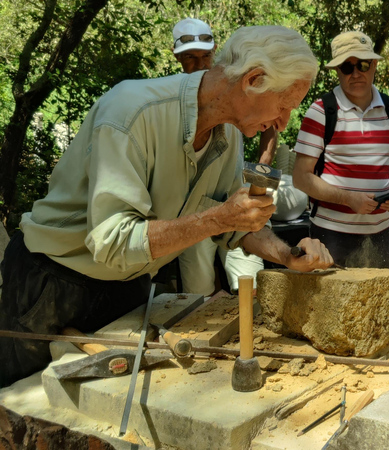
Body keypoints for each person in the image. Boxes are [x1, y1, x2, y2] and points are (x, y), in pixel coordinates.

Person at [0, 26, 334, 388]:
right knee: (23, 409)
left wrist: (287, 254)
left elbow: (235, 222)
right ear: (253, 80)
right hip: (52, 281)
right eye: (284, 106)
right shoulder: (133, 112)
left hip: (128, 285)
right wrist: (215, 219)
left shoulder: (230, 134)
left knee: (110, 410)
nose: (283, 122)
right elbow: (112, 241)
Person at [171, 17, 278, 295]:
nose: (199, 65)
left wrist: (260, 177)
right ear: (178, 58)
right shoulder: (170, 105)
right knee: (198, 294)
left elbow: (269, 131)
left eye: (205, 56)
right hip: (192, 215)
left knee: (251, 288)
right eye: (189, 58)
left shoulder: (236, 91)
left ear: (214, 52)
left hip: (238, 201)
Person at [293, 31, 389, 268]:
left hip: (379, 233)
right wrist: (347, 198)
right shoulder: (320, 112)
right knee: (330, 303)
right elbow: (300, 177)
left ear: (374, 65)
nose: (356, 73)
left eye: (363, 64)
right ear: (337, 70)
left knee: (373, 303)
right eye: (347, 67)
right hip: (330, 234)